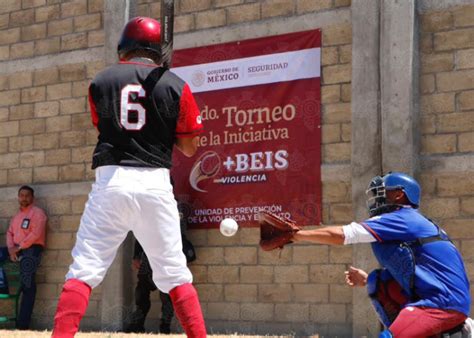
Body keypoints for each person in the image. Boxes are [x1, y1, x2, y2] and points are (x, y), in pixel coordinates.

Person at [51, 16, 206, 338]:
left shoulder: (102, 79)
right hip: (155, 184)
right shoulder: (175, 83)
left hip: (112, 181)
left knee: (85, 269)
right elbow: (190, 147)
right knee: (175, 274)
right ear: (157, 50)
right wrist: (166, 130)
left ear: (125, 46)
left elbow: (107, 127)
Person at [289, 172, 470, 337]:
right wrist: (367, 279)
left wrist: (295, 235)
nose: (377, 199)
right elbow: (421, 271)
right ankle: (446, 332)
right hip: (443, 300)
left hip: (441, 303)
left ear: (399, 194)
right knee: (378, 281)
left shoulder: (402, 217)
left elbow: (345, 234)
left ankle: (453, 330)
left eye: (383, 193)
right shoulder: (412, 220)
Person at [125, 204, 196, 334]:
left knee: (168, 294)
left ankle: (165, 327)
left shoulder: (175, 207)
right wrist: (136, 255)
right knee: (141, 292)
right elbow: (141, 233)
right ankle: (137, 324)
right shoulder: (147, 206)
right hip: (148, 256)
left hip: (167, 254)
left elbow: (178, 235)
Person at [0, 185, 47, 329]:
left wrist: (18, 248)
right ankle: (2, 286)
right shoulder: (17, 217)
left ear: (32, 198)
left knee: (27, 283)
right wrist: (11, 249)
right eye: (21, 195)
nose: (24, 198)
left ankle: (23, 324)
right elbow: (9, 233)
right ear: (18, 197)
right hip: (15, 249)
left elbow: (35, 234)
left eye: (27, 195)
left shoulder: (38, 213)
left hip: (31, 250)